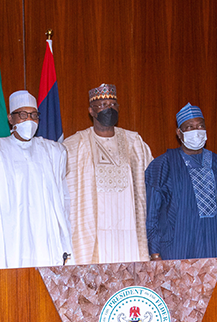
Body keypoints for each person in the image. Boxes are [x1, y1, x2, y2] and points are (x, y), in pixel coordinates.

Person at [0, 90, 74, 268]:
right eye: (22, 115)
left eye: (33, 115)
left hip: (44, 234)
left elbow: (63, 196)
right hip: (11, 234)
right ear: (10, 119)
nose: (29, 120)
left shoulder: (53, 151)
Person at [63, 84, 153, 264]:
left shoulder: (134, 142)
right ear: (91, 110)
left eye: (112, 104)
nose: (108, 108)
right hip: (93, 229)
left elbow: (151, 181)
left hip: (130, 229)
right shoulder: (75, 145)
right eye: (103, 105)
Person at [145, 103, 217, 260]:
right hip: (177, 249)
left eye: (200, 126)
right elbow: (151, 213)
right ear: (179, 133)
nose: (197, 131)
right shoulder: (162, 165)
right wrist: (154, 254)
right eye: (189, 127)